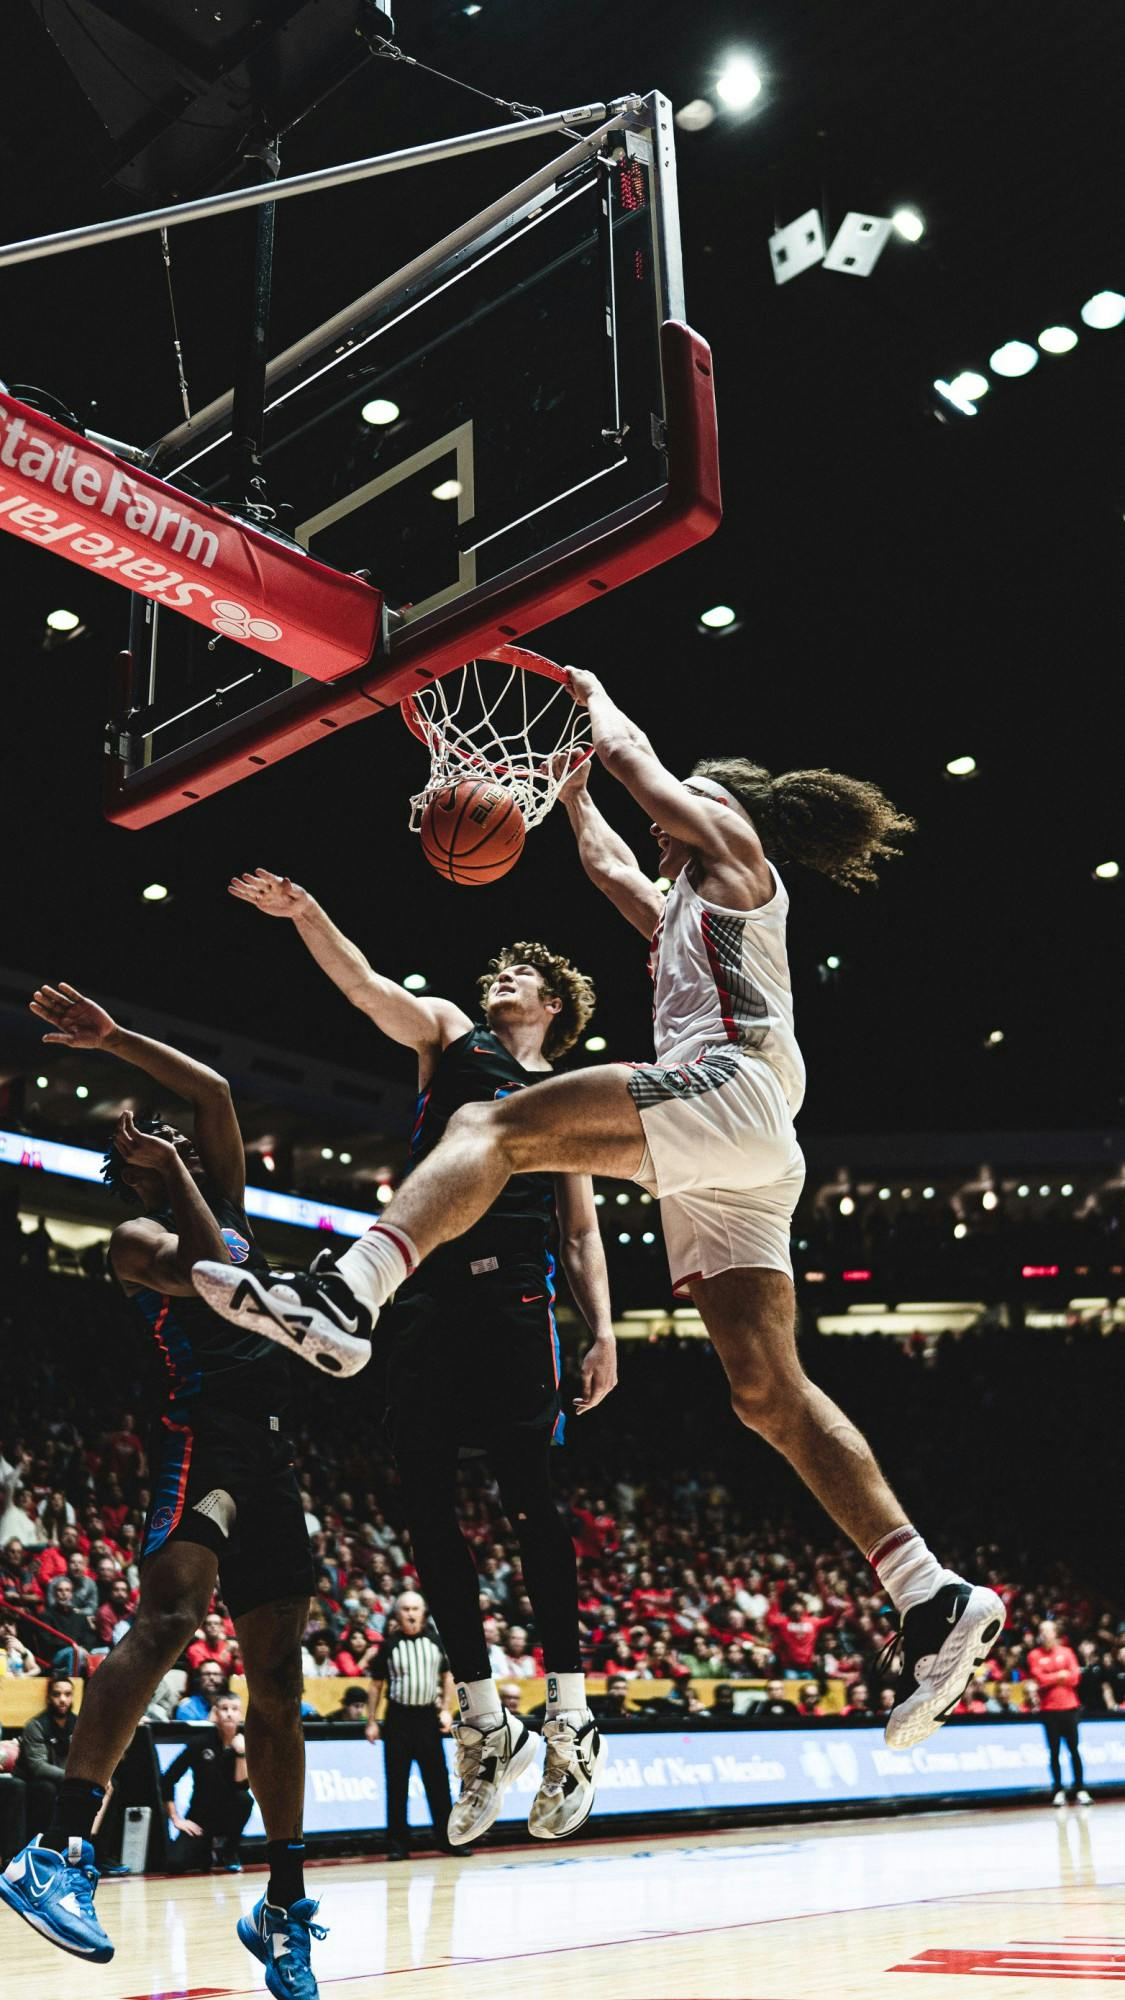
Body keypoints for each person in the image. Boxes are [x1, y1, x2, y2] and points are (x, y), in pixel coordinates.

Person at [198, 676, 1005, 1752]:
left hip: (728, 1089)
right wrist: (572, 796)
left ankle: (350, 1292)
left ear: (720, 807)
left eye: (680, 811)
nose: (661, 830)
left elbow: (642, 768)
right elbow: (612, 865)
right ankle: (930, 1591)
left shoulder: (737, 856)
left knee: (488, 1125)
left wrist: (590, 698)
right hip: (743, 1153)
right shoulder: (683, 909)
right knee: (766, 1391)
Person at [205, 874, 617, 1844]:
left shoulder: (565, 1099)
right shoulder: (448, 1035)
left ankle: (572, 1712)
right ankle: (484, 1718)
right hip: (427, 1297)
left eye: (519, 974)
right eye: (499, 971)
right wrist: (308, 912)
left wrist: (603, 1330)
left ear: (554, 1004)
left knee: (530, 1500)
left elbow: (581, 1230)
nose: (500, 979)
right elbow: (365, 987)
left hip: (516, 1299)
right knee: (427, 1510)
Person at [0, 984, 323, 1998]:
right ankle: (58, 1850)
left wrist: (116, 1040)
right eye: (158, 1145)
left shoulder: (219, 1198)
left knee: (279, 1683)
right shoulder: (136, 1241)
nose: (179, 1136)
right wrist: (176, 1169)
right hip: (201, 1435)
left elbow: (216, 1089)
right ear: (133, 1170)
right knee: (172, 1616)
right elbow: (218, 1272)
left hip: (271, 1452)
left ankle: (282, 1903)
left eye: (181, 1142)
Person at [365, 1593, 457, 1860]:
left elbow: (447, 1676)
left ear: (423, 1612)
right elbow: (376, 1685)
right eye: (405, 1609)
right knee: (396, 1783)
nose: (410, 1614)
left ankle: (448, 1840)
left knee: (438, 1783)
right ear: (397, 1614)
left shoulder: (435, 1642)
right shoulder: (389, 1645)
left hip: (427, 1718)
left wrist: (446, 1709)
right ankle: (398, 1844)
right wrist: (371, 1721)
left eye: (415, 1608)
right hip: (398, 1719)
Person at [161, 1692, 254, 1872]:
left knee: (244, 1799)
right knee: (175, 1864)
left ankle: (229, 1850)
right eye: (224, 1709)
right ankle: (207, 1851)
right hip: (200, 1818)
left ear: (241, 1715)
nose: (229, 1714)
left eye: (234, 1709)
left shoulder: (247, 1743)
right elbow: (168, 1779)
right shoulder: (199, 1743)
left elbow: (242, 1785)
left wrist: (241, 1753)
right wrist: (176, 1819)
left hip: (228, 1816)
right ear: (215, 1713)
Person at [1028, 1620, 1091, 1807]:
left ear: (1055, 1633)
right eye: (1042, 1631)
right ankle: (1058, 1790)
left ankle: (1080, 1789)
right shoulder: (1034, 1655)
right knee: (1054, 1752)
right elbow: (1039, 1679)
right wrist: (1060, 1675)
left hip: (1070, 1708)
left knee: (1074, 1750)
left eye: (1048, 1631)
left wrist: (1054, 1677)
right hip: (1049, 1710)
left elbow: (1075, 1678)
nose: (1045, 1634)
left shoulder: (1067, 1652)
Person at [14, 1676, 77, 1836]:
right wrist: (72, 1778)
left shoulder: (78, 1724)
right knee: (47, 1789)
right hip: (36, 1781)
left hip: (67, 1779)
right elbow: (38, 1766)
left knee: (110, 1785)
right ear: (49, 1697)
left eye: (67, 1694)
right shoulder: (36, 1725)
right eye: (57, 1694)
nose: (62, 1700)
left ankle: (94, 1844)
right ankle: (42, 1842)